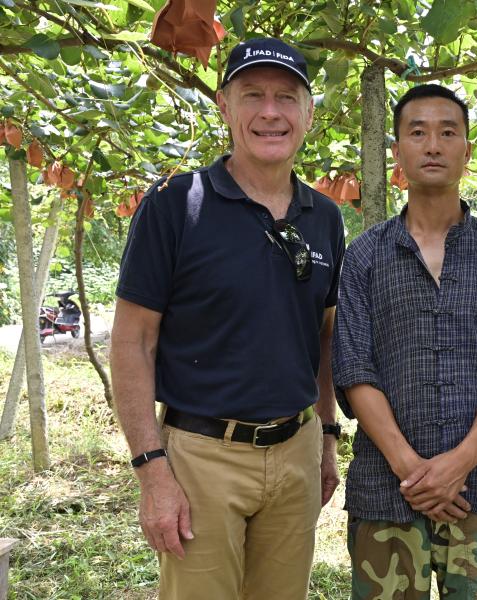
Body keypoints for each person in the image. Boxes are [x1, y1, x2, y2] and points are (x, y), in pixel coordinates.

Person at [109, 37, 345, 600]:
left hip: (296, 451)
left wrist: (328, 438)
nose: (270, 112)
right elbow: (133, 342)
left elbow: (325, 337)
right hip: (202, 456)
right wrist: (152, 470)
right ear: (224, 105)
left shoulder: (325, 217)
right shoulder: (176, 203)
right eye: (252, 95)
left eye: (287, 98)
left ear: (308, 114)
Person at [331, 84, 477, 600]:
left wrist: (460, 462)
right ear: (397, 150)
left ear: (467, 151)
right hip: (387, 489)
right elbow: (355, 368)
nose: (433, 145)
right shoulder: (365, 257)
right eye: (417, 132)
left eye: (448, 132)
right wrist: (414, 473)